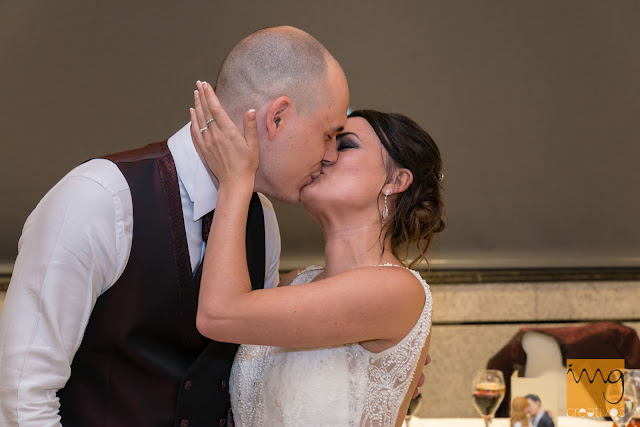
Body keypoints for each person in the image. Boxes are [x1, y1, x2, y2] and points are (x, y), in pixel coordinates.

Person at [0, 26, 350, 426]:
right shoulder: (99, 197)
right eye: (328, 134)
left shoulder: (263, 222)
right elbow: (21, 397)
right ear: (278, 117)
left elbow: (246, 381)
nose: (330, 156)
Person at [189, 83, 445, 425]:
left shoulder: (396, 290)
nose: (326, 155)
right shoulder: (295, 283)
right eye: (326, 141)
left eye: (346, 145)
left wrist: (236, 181)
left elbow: (218, 314)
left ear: (396, 180)